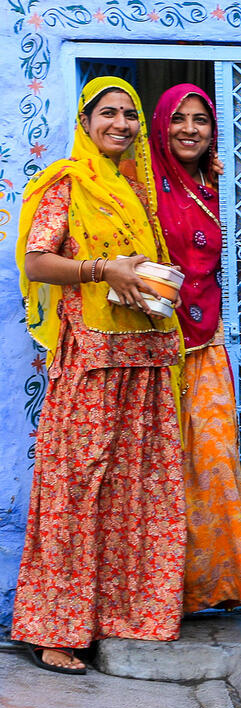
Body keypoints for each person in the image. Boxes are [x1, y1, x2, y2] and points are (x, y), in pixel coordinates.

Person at [11, 76, 185, 674]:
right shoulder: (67, 183)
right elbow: (36, 261)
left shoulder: (135, 189)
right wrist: (101, 269)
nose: (120, 124)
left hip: (145, 356)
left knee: (137, 493)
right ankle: (53, 629)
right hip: (91, 362)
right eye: (107, 113)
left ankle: (122, 614)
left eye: (129, 114)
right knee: (74, 492)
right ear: (86, 123)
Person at [150, 84, 241, 613]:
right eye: (179, 119)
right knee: (160, 467)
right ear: (161, 124)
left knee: (213, 461)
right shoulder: (141, 184)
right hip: (154, 345)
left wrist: (229, 183)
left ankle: (212, 586)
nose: (189, 129)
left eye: (202, 120)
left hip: (207, 340)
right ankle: (158, 597)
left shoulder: (220, 190)